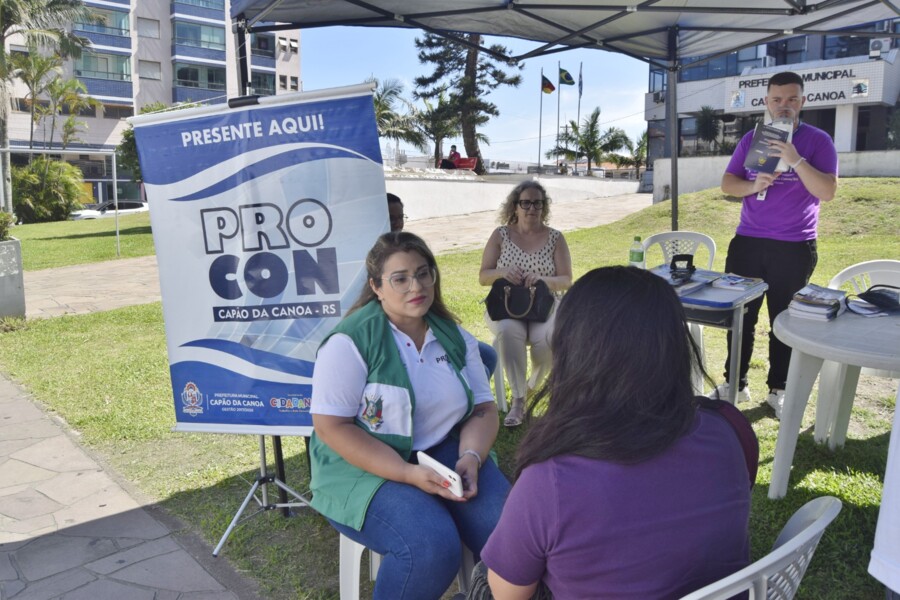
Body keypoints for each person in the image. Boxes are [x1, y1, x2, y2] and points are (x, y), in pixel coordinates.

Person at [481, 266, 756, 599]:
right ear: (673, 345)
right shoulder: (729, 429)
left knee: (485, 577)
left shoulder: (551, 480)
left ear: (575, 353)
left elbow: (508, 594)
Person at [309, 231, 510, 600]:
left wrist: (471, 456)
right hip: (360, 466)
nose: (415, 285)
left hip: (443, 450)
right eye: (399, 278)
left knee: (511, 535)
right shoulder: (349, 342)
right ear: (377, 287)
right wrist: (406, 473)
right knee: (430, 548)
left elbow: (483, 408)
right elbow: (331, 427)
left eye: (423, 273)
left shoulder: (454, 336)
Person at [710, 71, 838, 418]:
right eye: (777, 100)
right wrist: (752, 186)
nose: (784, 107)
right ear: (766, 102)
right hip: (748, 242)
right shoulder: (754, 138)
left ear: (802, 102)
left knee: (783, 321)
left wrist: (796, 159)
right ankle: (734, 383)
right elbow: (728, 183)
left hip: (793, 246)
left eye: (792, 99)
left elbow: (827, 191)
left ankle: (779, 389)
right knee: (740, 317)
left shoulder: (818, 141)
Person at [479, 181, 572, 427]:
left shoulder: (555, 238)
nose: (532, 208)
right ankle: (519, 400)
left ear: (544, 207)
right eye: (526, 203)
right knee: (509, 333)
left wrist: (542, 279)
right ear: (515, 206)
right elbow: (483, 276)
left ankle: (532, 387)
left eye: (537, 203)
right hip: (507, 304)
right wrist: (503, 272)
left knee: (549, 342)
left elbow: (566, 279)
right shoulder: (501, 235)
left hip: (544, 305)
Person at [387, 192, 498, 377]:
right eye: (392, 219)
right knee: (477, 368)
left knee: (487, 356)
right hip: (404, 334)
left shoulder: (411, 246)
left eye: (400, 217)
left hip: (427, 324)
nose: (398, 224)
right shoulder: (378, 258)